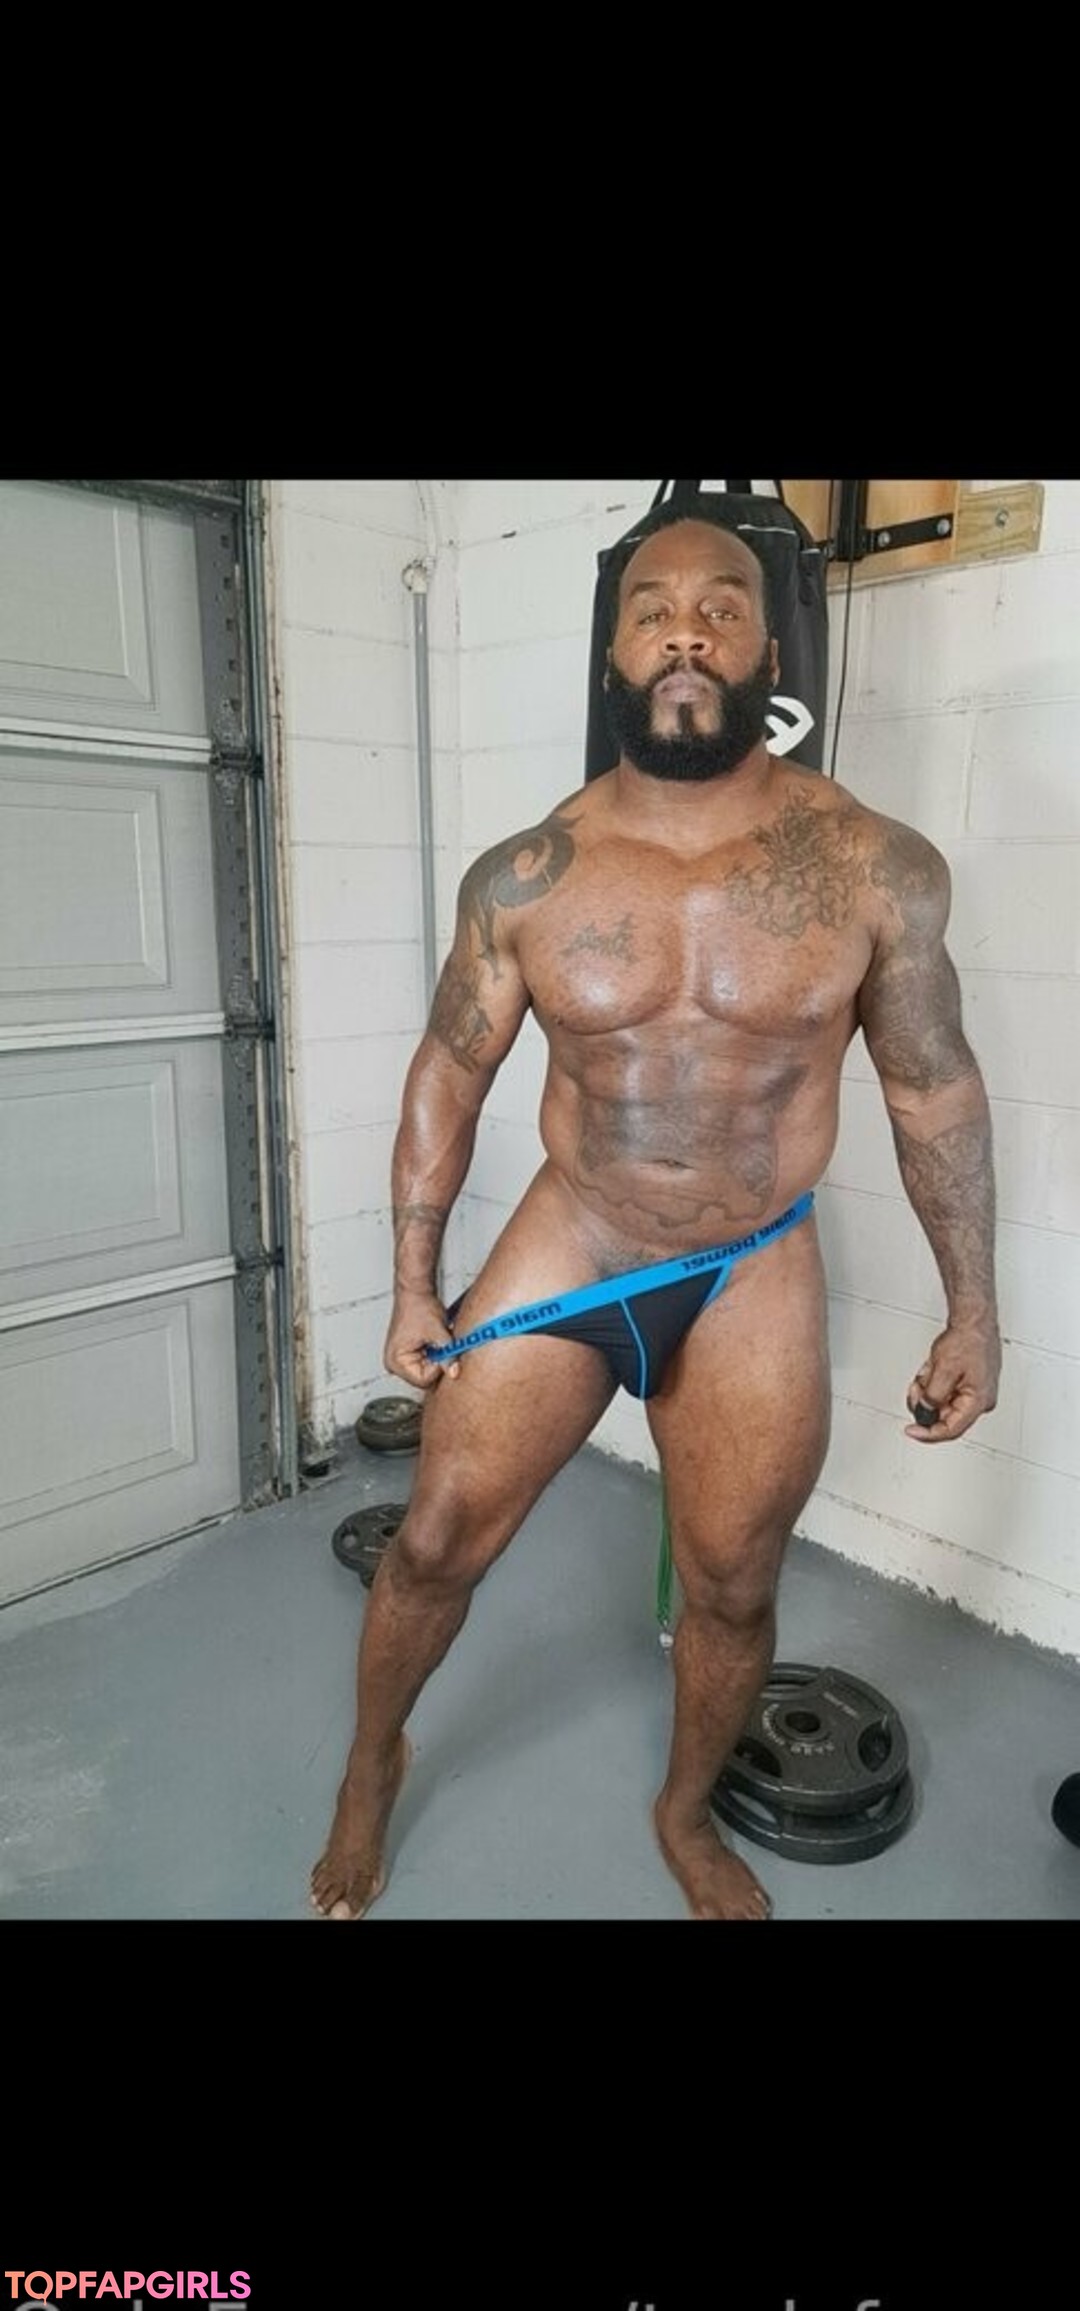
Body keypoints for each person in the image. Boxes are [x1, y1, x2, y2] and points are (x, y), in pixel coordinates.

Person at [310, 515, 1001, 1922]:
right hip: (577, 1237)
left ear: (769, 650)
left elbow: (932, 1086)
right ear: (615, 652)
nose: (686, 629)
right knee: (434, 1541)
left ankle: (683, 1814)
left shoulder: (874, 867)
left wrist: (973, 1310)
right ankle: (373, 1761)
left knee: (735, 1587)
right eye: (653, 609)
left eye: (723, 606)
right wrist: (411, 1281)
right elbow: (449, 1070)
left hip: (751, 1261)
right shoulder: (528, 877)